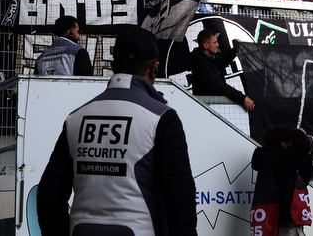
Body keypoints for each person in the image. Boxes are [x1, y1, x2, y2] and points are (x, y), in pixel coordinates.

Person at [36, 26, 197, 235]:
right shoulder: (162, 117)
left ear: (112, 66)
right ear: (155, 68)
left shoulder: (75, 117)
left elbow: (49, 196)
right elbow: (180, 200)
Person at [250, 126, 313, 236]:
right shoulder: (275, 161)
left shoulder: (280, 163)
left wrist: (307, 155)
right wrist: (298, 133)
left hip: (293, 227)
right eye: (292, 143)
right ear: (283, 144)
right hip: (282, 228)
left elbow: (302, 181)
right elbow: (301, 146)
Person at [188, 29, 256, 111]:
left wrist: (234, 50)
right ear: (206, 45)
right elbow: (220, 86)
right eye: (214, 42)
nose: (218, 45)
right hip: (207, 110)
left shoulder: (208, 59)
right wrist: (243, 98)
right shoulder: (201, 65)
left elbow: (221, 62)